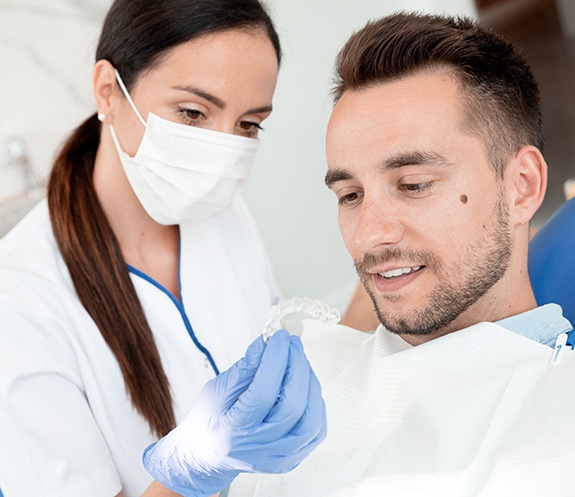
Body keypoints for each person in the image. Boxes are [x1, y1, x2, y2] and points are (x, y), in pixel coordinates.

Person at [143, 11, 575, 497]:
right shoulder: (315, 371)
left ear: (522, 187)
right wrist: (185, 474)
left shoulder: (558, 427)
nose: (368, 235)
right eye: (350, 195)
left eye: (413, 185)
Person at [0, 1, 326, 496]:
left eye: (248, 124)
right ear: (108, 92)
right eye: (193, 113)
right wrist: (196, 466)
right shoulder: (20, 301)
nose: (222, 153)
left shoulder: (225, 213)